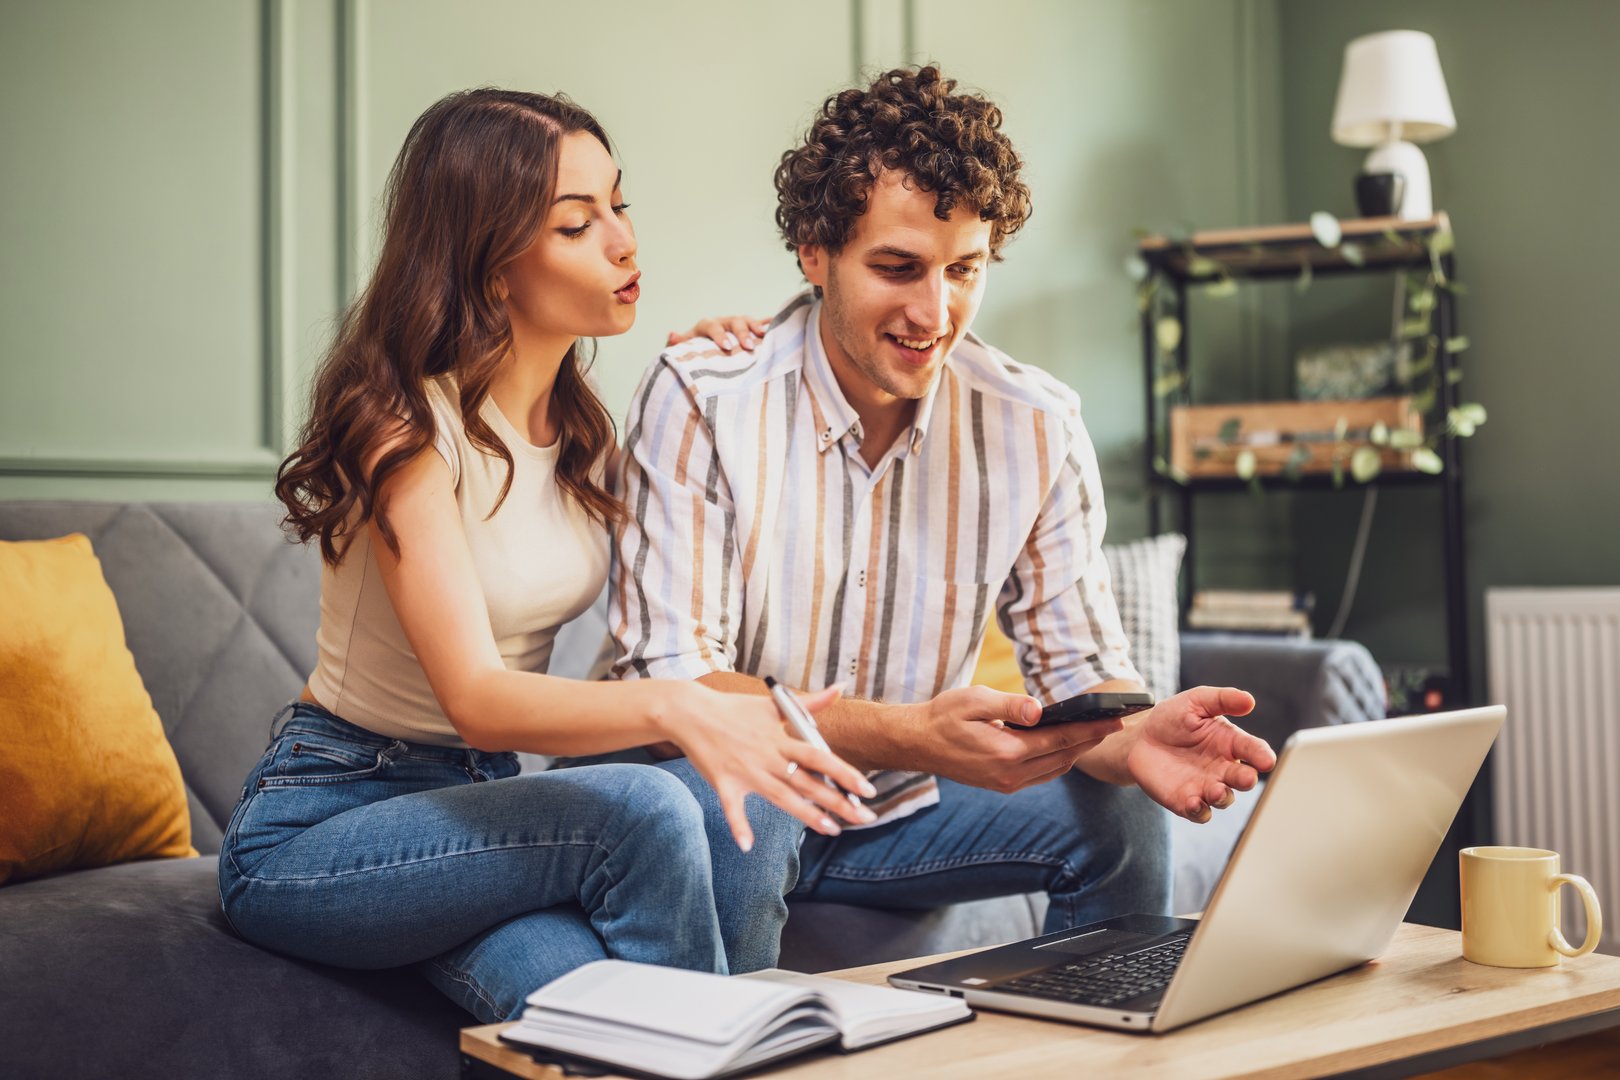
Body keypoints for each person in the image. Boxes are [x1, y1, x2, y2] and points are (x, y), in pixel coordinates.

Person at [217, 88, 874, 1025]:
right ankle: (723, 1042)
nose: (622, 241)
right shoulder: (404, 431)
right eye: (577, 223)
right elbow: (477, 701)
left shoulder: (578, 432)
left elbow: (688, 570)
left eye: (619, 203)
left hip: (486, 815)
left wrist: (705, 382)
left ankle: (735, 1033)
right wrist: (678, 709)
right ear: (490, 265)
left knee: (747, 809)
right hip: (329, 820)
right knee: (642, 808)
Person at [613, 66, 1278, 935]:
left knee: (1119, 818)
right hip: (724, 800)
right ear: (815, 252)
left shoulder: (1033, 425)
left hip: (900, 816)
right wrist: (907, 732)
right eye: (898, 267)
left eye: (964, 270)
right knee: (747, 802)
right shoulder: (706, 398)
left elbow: (1079, 673)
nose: (936, 311)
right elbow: (674, 691)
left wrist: (1136, 732)